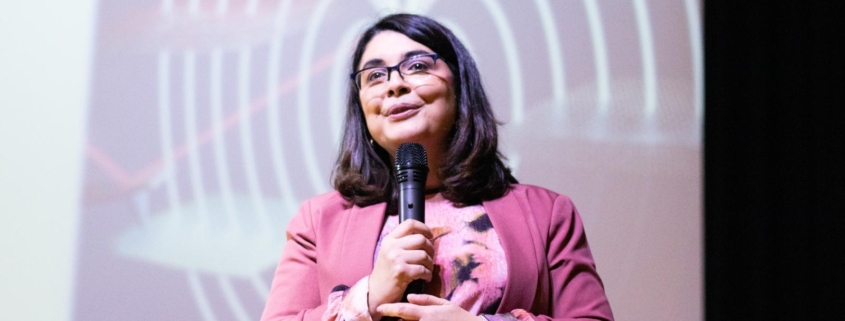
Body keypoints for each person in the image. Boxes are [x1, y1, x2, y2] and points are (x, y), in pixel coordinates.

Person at [260, 13, 614, 321]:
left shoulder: (548, 213)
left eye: (417, 66)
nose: (394, 84)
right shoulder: (318, 221)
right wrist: (368, 297)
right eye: (375, 76)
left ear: (460, 86)